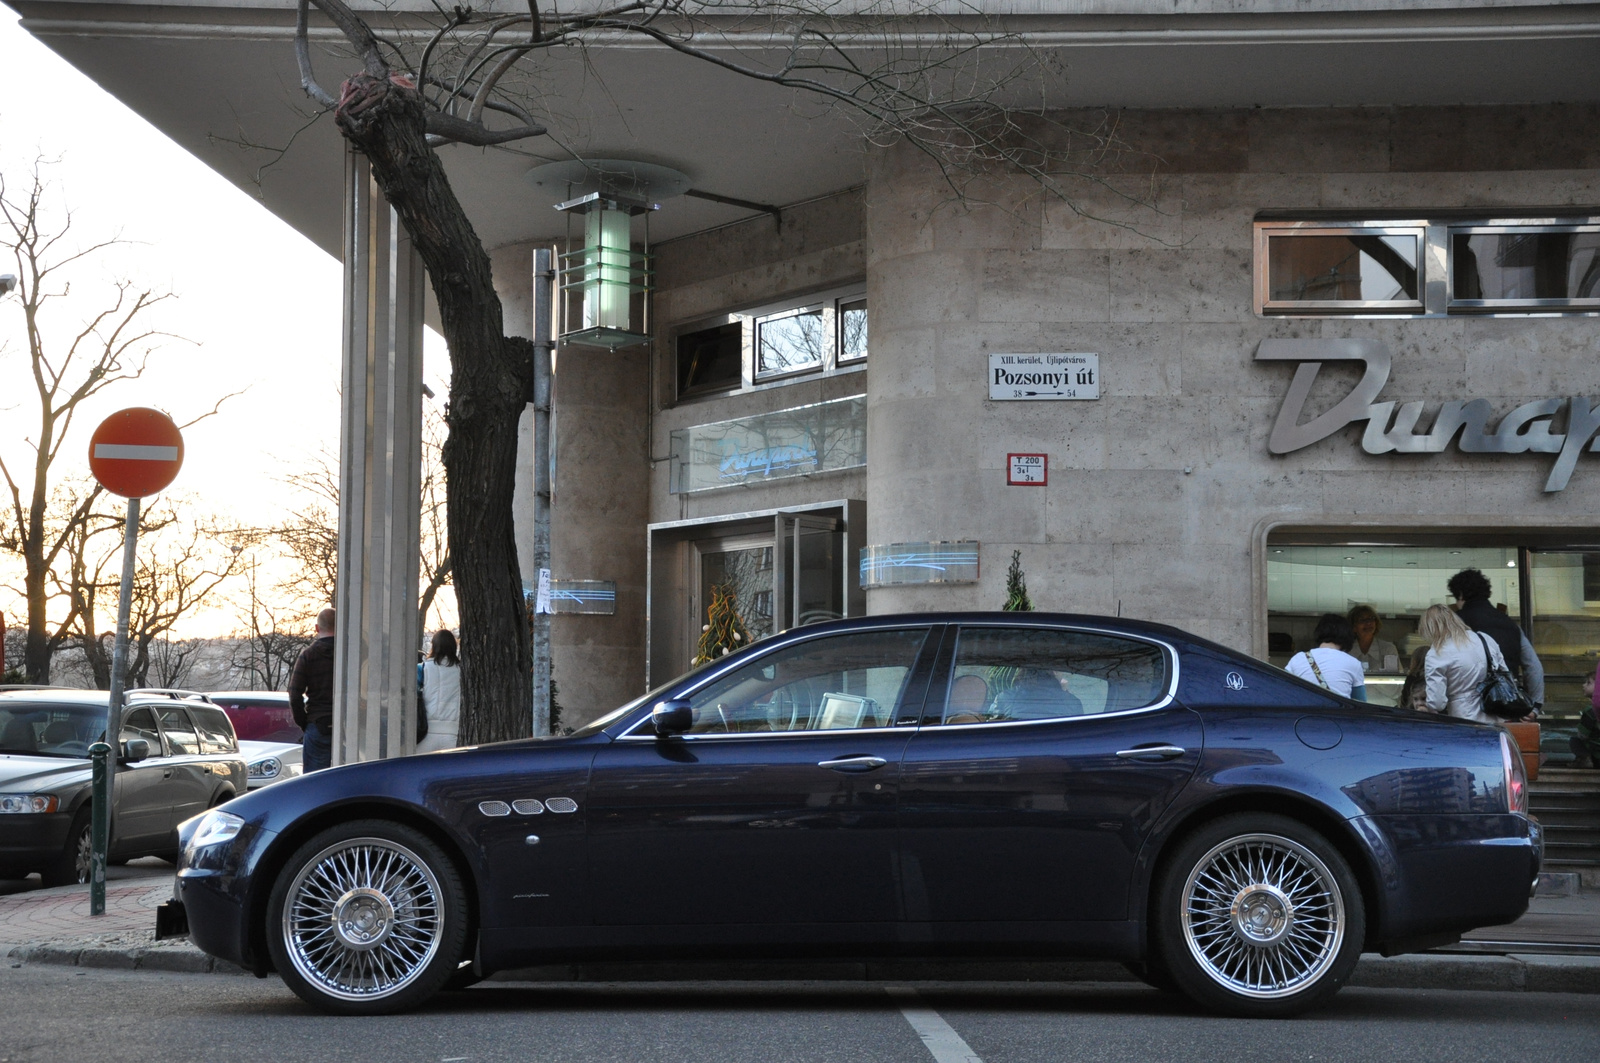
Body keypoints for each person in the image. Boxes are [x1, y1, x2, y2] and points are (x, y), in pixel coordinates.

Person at [1419, 602, 1508, 723]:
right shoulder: (1484, 638)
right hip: (1496, 714)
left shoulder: (1436, 654)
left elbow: (1437, 703)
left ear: (1430, 629)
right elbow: (1504, 673)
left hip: (1463, 717)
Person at [1447, 568, 1526, 684]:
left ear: (1460, 595)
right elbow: (1532, 665)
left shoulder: (1457, 622)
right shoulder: (1509, 623)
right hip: (1507, 694)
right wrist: (1536, 701)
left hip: (1472, 695)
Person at [288, 608, 336, 772]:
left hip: (318, 724)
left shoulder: (308, 656)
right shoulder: (351, 655)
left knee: (315, 781)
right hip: (348, 725)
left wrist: (305, 723)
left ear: (317, 628)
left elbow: (295, 696)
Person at [1285, 613, 1368, 700]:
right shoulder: (1353, 663)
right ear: (1347, 636)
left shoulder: (1297, 659)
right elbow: (1360, 703)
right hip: (1336, 713)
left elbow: (1284, 692)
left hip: (1305, 712)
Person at [415, 629, 461, 753]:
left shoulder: (422, 669)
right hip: (453, 734)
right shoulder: (462, 671)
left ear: (433, 646)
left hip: (425, 733)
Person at [1347, 604, 1400, 674]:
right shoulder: (1346, 650)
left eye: (1371, 619)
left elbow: (1395, 678)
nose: (1368, 623)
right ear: (1354, 627)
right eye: (1362, 620)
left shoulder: (1388, 649)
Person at [1397, 646, 1430, 712]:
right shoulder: (1434, 677)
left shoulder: (1411, 678)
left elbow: (1404, 701)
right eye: (1415, 699)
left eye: (1424, 699)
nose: (1419, 703)